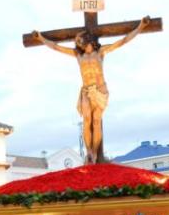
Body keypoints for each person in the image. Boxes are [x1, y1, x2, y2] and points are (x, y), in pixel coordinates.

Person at [31, 16, 151, 164]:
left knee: (96, 121)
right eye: (77, 41)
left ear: (87, 40)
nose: (77, 43)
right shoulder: (78, 55)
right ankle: (89, 153)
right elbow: (56, 47)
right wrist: (41, 38)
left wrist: (140, 27)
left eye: (79, 40)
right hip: (86, 91)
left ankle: (95, 152)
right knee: (86, 120)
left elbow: (123, 41)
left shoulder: (100, 52)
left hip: (100, 90)